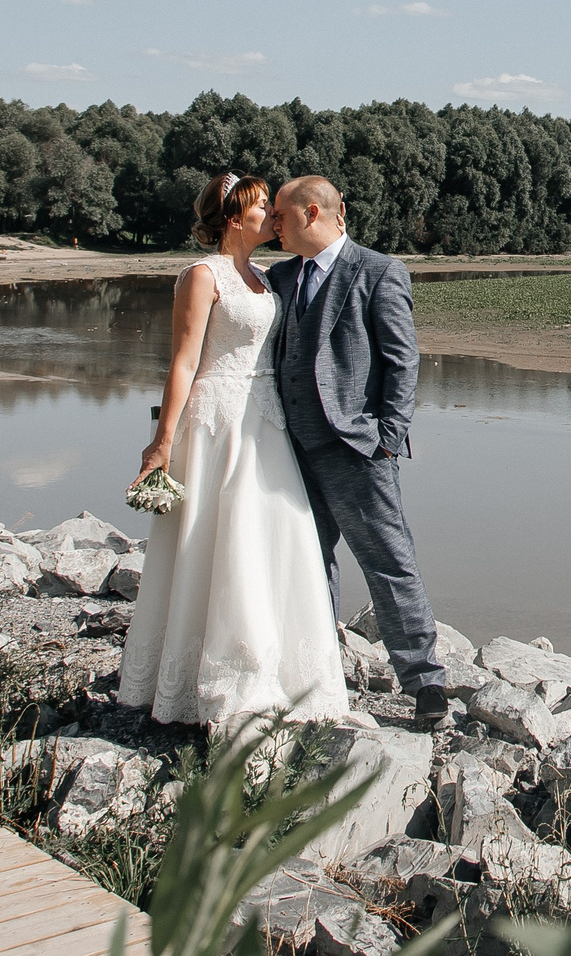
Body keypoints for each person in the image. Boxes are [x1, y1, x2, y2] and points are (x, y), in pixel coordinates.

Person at [118, 174, 345, 728]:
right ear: (234, 217)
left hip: (266, 420)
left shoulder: (266, 278)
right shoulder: (202, 275)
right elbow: (183, 362)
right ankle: (215, 679)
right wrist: (162, 442)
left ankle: (280, 670)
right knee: (220, 539)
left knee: (274, 535)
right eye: (264, 205)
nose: (273, 214)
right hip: (218, 419)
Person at [269, 174, 450, 722]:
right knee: (307, 559)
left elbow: (402, 360)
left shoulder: (377, 271)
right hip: (289, 447)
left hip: (356, 446)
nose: (273, 226)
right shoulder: (280, 276)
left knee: (388, 561)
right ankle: (317, 671)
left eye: (279, 215)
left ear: (310, 213)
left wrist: (387, 439)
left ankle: (425, 682)